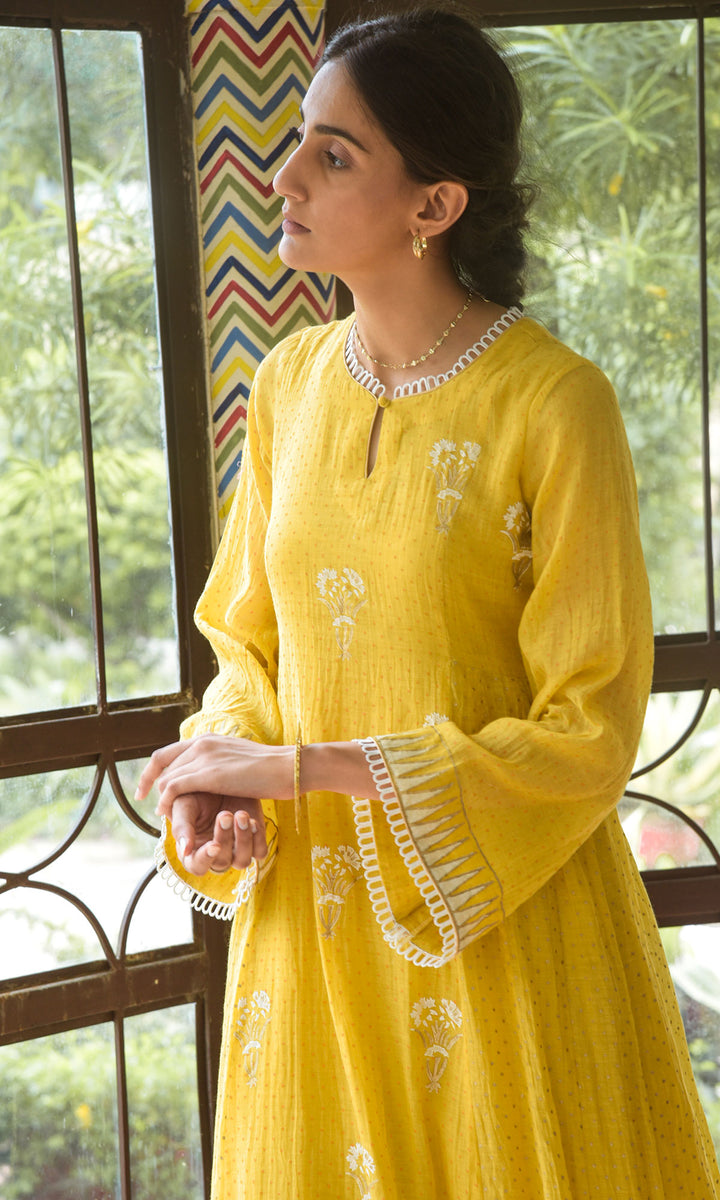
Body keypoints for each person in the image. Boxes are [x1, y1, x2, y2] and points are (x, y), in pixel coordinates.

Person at [135, 7, 720, 1197]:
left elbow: (588, 728)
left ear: (435, 204)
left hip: (494, 927)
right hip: (310, 938)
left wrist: (297, 769)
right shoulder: (289, 384)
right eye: (300, 140)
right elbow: (244, 639)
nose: (287, 177)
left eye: (335, 154)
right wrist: (223, 776)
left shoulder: (554, 403)